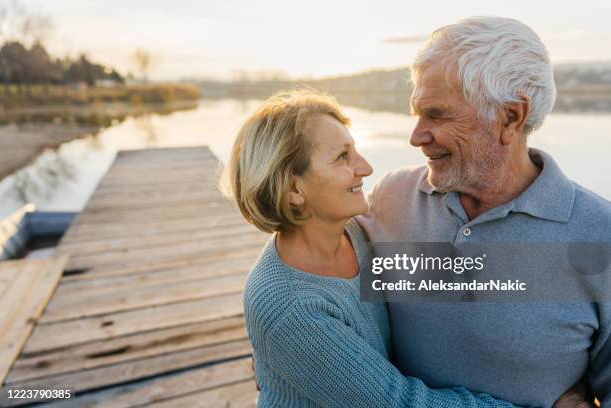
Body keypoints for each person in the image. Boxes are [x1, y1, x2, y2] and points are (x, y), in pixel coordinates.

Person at [357, 16, 611, 407]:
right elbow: (314, 264)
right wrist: (296, 349)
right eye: (416, 114)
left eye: (437, 114)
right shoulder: (391, 197)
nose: (416, 136)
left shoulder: (600, 234)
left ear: (510, 117)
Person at [223, 90, 526, 407]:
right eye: (342, 157)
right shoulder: (289, 307)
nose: (366, 168)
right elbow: (398, 404)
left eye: (355, 151)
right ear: (293, 189)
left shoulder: (359, 233)